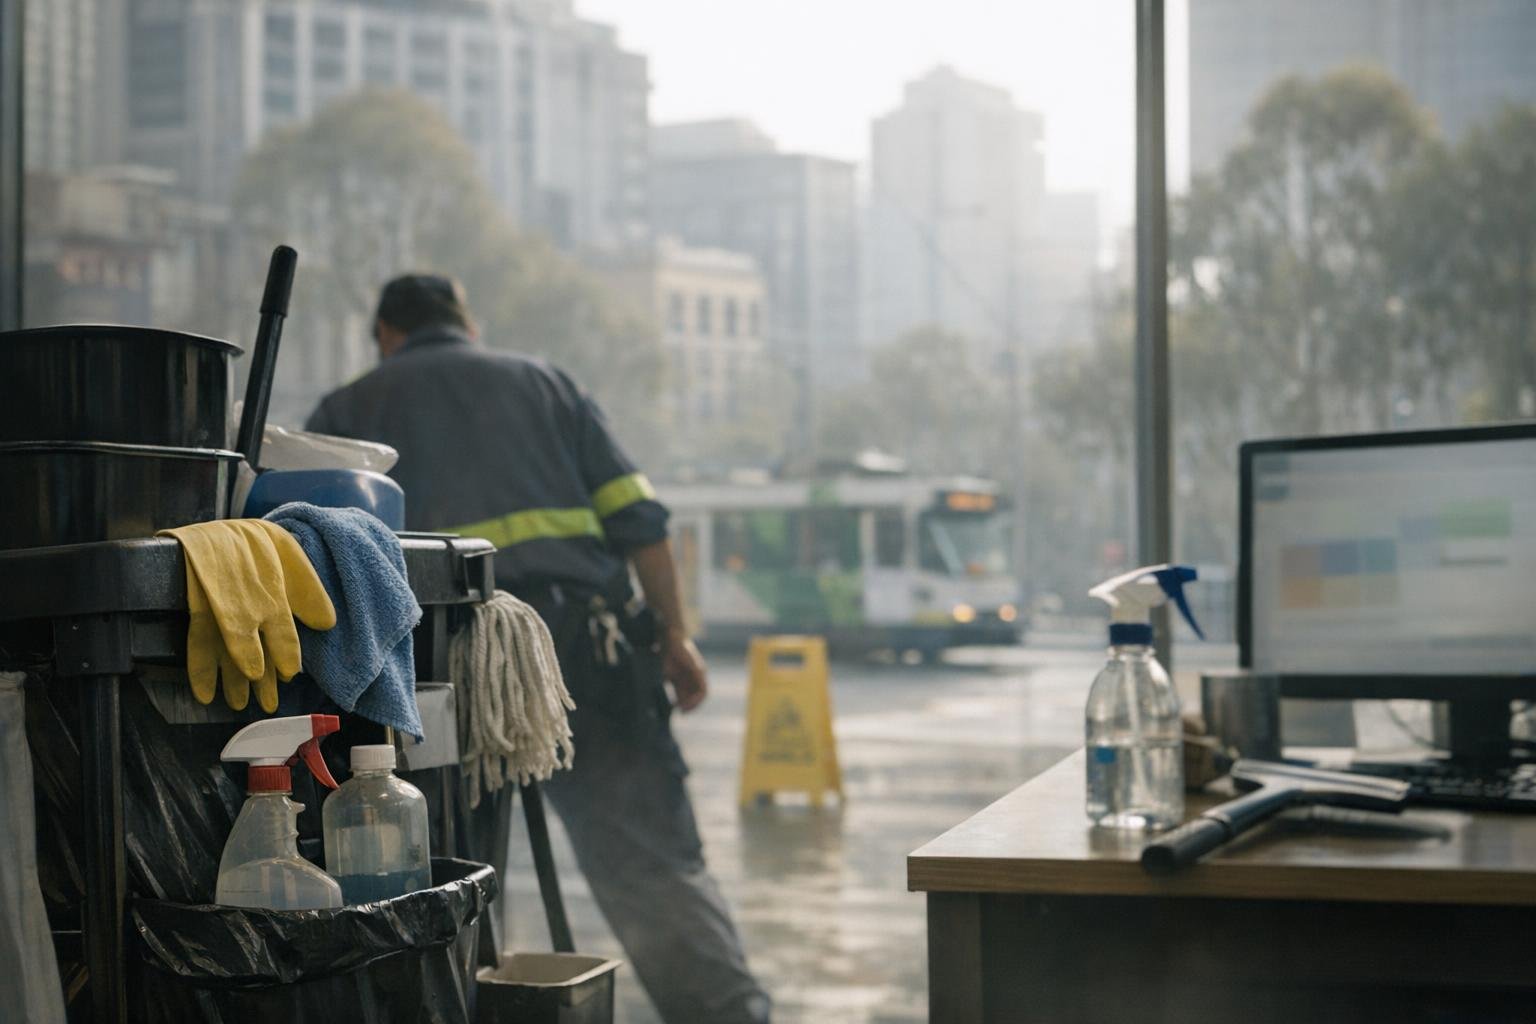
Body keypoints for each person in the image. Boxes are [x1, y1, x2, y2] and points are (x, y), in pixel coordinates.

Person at [306, 274, 770, 1024]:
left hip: (435, 680)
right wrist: (676, 636)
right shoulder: (547, 384)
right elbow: (642, 522)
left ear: (386, 335)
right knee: (652, 867)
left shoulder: (347, 410)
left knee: (447, 879)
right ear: (469, 324)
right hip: (587, 657)